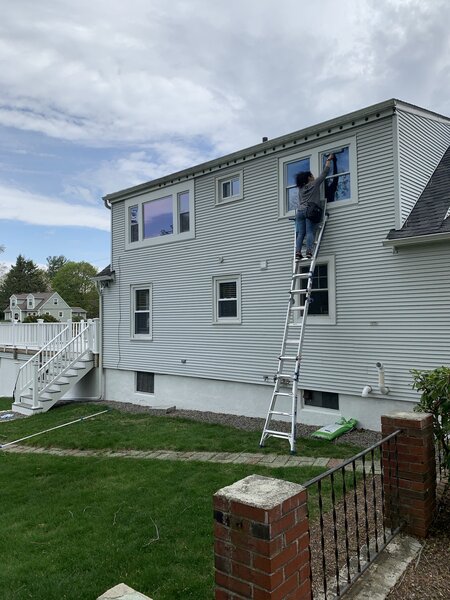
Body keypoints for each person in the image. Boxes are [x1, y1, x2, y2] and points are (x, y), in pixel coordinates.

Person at [295, 153, 334, 260]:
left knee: (301, 234)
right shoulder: (314, 183)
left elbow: (299, 201)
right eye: (312, 175)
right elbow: (325, 173)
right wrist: (328, 160)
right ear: (309, 177)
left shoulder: (301, 189)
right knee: (310, 232)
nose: (314, 177)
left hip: (299, 212)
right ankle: (308, 252)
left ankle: (298, 252)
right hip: (310, 210)